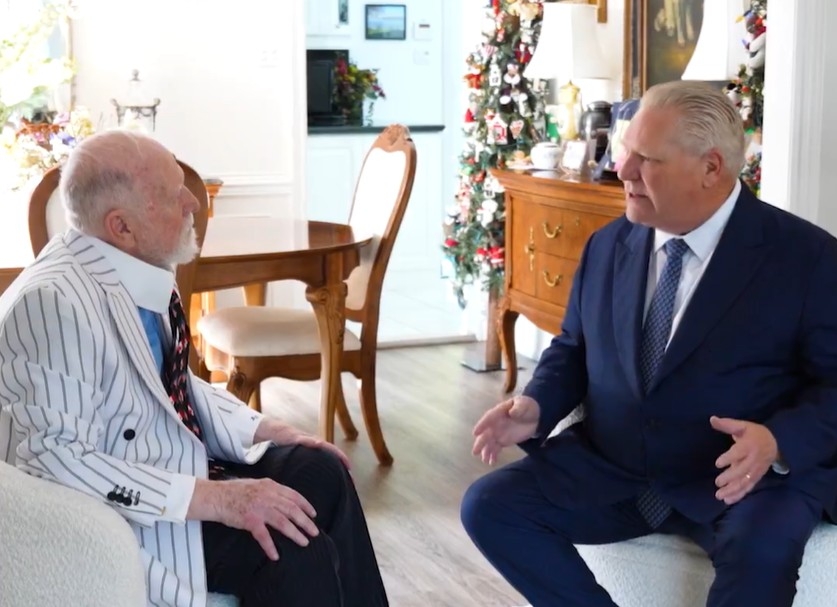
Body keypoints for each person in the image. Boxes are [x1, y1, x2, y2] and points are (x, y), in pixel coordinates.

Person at [461, 80, 837, 607]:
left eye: (646, 159)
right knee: (489, 506)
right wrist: (537, 404)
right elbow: (573, 347)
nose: (623, 170)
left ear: (711, 168)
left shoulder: (808, 258)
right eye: (624, 151)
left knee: (762, 552)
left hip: (740, 478)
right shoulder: (607, 243)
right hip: (614, 466)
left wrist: (777, 440)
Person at [0, 130, 388, 607]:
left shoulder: (133, 265)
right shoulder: (53, 305)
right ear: (121, 225)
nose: (192, 203)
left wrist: (265, 427)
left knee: (324, 470)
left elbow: (171, 383)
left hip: (177, 464)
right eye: (172, 194)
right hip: (136, 514)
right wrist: (218, 499)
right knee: (292, 546)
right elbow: (53, 458)